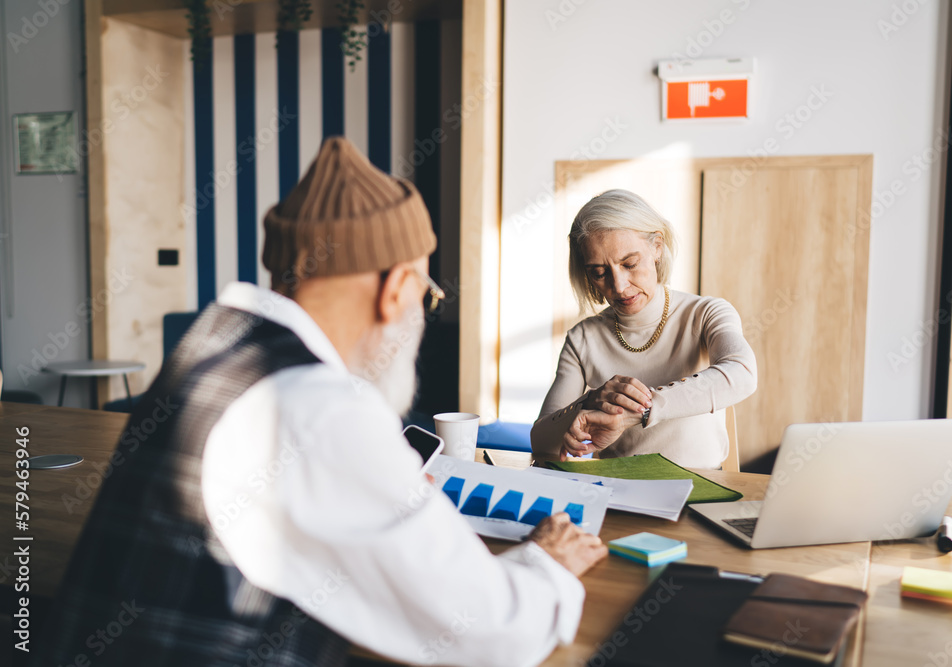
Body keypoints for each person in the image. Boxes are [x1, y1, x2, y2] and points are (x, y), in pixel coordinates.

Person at [34, 138, 606, 667]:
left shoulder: (212, 341)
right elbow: (490, 634)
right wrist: (547, 561)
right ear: (394, 289)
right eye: (425, 297)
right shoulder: (318, 406)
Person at [531, 189, 757, 469]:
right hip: (617, 487)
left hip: (702, 482)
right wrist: (589, 402)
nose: (618, 286)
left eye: (630, 264)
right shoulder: (583, 339)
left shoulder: (705, 313)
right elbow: (540, 440)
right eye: (599, 273)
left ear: (657, 247)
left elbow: (742, 374)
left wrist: (640, 412)